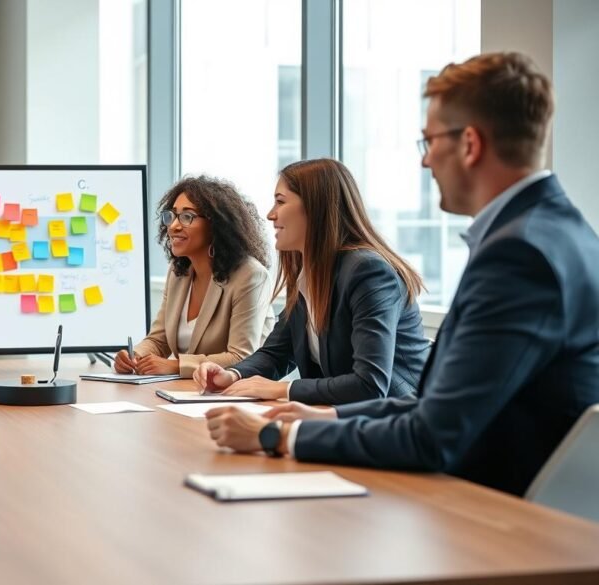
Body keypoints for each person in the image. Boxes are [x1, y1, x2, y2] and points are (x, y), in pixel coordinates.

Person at [206, 51, 599, 497]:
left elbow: (432, 435)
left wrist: (275, 436)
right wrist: (329, 417)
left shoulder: (519, 254)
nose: (425, 162)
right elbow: (434, 408)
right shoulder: (555, 231)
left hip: (503, 517)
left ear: (470, 144)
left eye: (429, 142)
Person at [193, 159, 430, 405]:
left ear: (316, 208)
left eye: (281, 201)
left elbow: (369, 384)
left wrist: (282, 390)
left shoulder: (368, 271)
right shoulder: (309, 274)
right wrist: (232, 374)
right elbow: (276, 353)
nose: (270, 214)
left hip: (399, 423)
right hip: (343, 418)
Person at [112, 175, 276, 378]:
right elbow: (159, 340)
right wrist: (134, 355)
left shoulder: (251, 276)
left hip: (237, 395)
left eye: (187, 216)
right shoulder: (179, 272)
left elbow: (241, 356)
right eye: (171, 215)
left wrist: (176, 366)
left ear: (217, 224)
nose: (173, 226)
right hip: (187, 393)